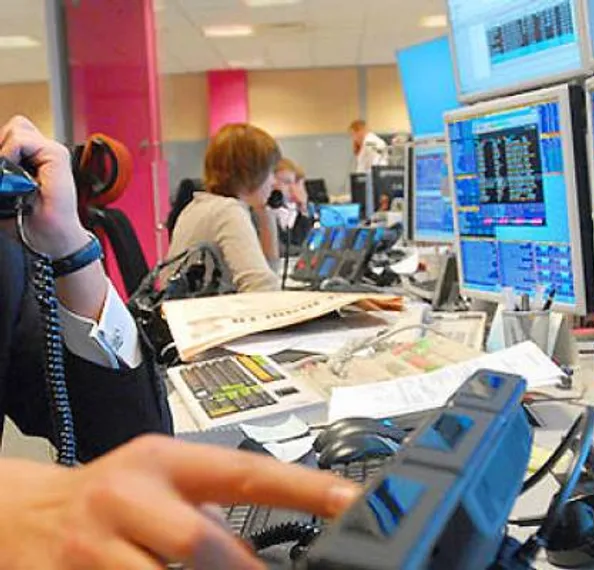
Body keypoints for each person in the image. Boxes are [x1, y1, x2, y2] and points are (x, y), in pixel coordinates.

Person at [0, 116, 360, 569]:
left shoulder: (9, 266)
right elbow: (262, 285)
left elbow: (129, 440)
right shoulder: (227, 212)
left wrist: (70, 247)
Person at [167, 123, 282, 292]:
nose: (274, 182)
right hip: (215, 308)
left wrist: (266, 217)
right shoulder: (227, 211)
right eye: (271, 172)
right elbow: (263, 288)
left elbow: (267, 274)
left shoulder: (195, 207)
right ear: (251, 172)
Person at [274, 157, 314, 247]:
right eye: (286, 182)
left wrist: (303, 208)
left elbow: (298, 243)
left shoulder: (292, 209)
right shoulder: (262, 212)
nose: (293, 189)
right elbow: (284, 247)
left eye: (295, 183)